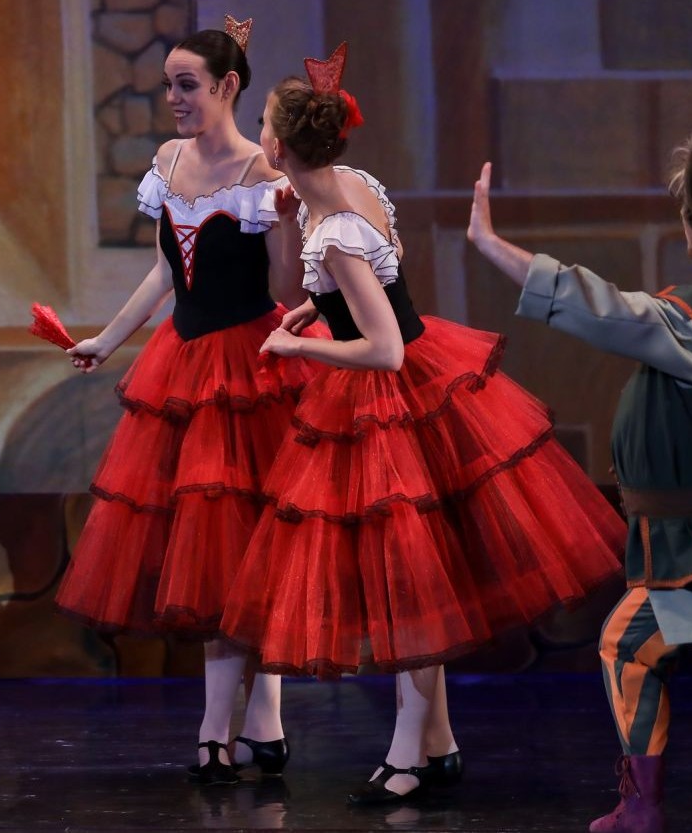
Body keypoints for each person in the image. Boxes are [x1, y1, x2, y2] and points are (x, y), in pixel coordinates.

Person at [220, 45, 626, 805]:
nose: (260, 136)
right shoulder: (350, 187)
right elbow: (384, 269)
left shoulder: (333, 228)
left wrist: (301, 343)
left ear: (279, 147)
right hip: (413, 383)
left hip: (390, 397)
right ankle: (435, 744)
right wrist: (316, 303)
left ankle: (409, 752)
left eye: (264, 126)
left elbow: (385, 348)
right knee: (414, 575)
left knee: (406, 581)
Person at [56, 17, 306, 784]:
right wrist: (109, 338)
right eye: (169, 84)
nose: (173, 97)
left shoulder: (263, 172)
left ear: (228, 86)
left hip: (249, 368)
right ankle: (245, 724)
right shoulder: (167, 162)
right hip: (185, 364)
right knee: (211, 551)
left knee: (253, 546)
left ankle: (241, 722)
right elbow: (165, 273)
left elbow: (286, 288)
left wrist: (287, 224)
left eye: (187, 84)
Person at [469, 147, 692, 833]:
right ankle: (642, 804)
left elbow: (595, 306)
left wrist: (490, 244)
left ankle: (642, 807)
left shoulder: (691, 325)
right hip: (682, 546)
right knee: (631, 642)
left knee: (629, 644)